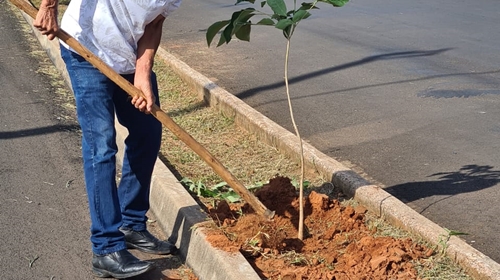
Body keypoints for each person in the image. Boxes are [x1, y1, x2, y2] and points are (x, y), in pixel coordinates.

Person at [34, 0, 182, 278]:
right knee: (101, 145)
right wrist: (49, 6)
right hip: (85, 49)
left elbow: (154, 23)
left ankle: (132, 223)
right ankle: (106, 248)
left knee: (148, 134)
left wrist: (143, 72)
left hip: (127, 60)